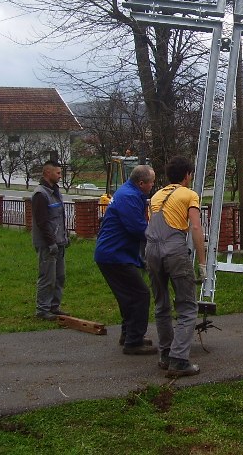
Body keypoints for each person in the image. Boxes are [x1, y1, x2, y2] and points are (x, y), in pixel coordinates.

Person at [145, 156, 206, 377]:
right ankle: (179, 360)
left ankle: (165, 355)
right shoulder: (189, 194)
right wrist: (202, 262)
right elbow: (196, 228)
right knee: (187, 306)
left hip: (151, 251)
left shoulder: (156, 196)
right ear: (187, 175)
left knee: (161, 304)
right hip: (174, 250)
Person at [94, 164, 157, 355]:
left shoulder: (128, 193)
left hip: (114, 253)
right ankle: (134, 341)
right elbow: (138, 228)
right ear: (141, 183)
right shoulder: (129, 197)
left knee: (128, 297)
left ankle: (128, 334)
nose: (153, 186)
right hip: (114, 255)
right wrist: (161, 237)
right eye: (151, 182)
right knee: (140, 295)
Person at [32, 160, 69, 320]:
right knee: (47, 277)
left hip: (59, 242)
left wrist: (64, 236)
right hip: (48, 244)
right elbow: (42, 222)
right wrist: (51, 242)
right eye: (58, 173)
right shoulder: (41, 194)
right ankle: (42, 309)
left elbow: (59, 217)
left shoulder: (55, 191)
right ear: (48, 173)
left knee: (59, 276)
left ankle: (54, 307)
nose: (60, 176)